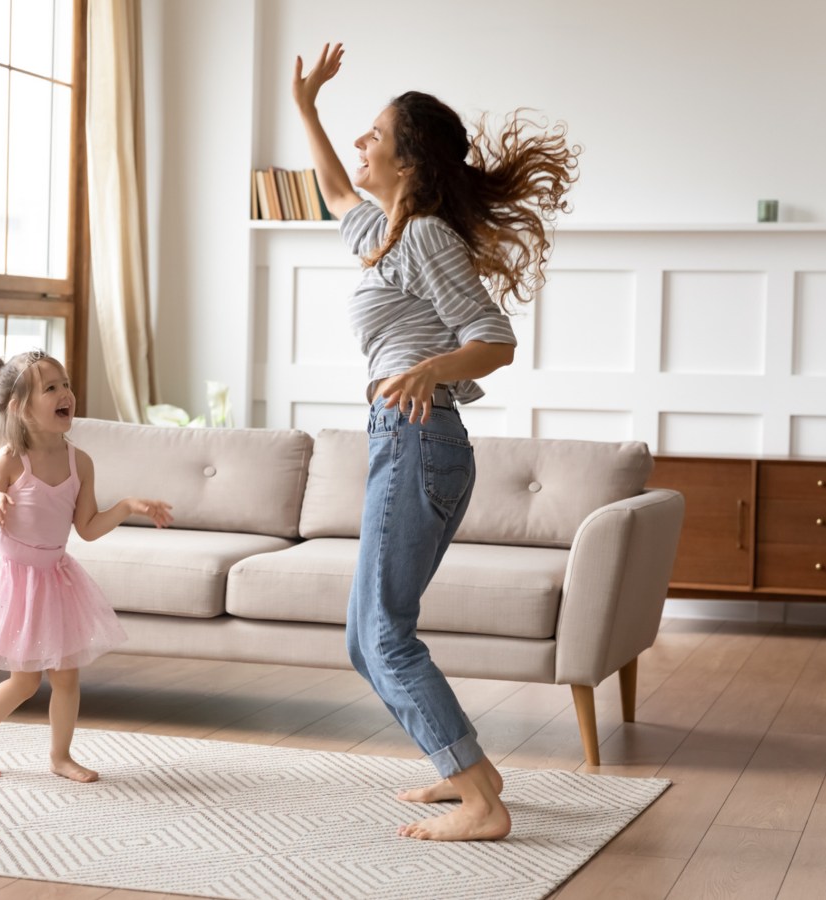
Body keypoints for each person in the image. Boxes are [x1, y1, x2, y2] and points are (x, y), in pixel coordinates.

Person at [292, 43, 579, 841]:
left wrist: (431, 369)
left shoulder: (423, 239)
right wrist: (305, 107)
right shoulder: (388, 236)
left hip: (420, 438)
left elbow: (494, 339)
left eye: (375, 133)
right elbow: (333, 189)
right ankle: (474, 775)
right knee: (365, 637)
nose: (362, 144)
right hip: (405, 440)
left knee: (383, 633)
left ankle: (484, 806)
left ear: (410, 159)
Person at [0, 350, 173, 782]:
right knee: (25, 681)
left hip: (54, 577)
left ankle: (60, 756)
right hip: (11, 576)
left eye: (65, 384)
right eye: (51, 388)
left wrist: (126, 506)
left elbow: (87, 528)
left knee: (66, 677)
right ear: (20, 408)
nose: (66, 393)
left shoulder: (78, 461)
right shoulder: (10, 458)